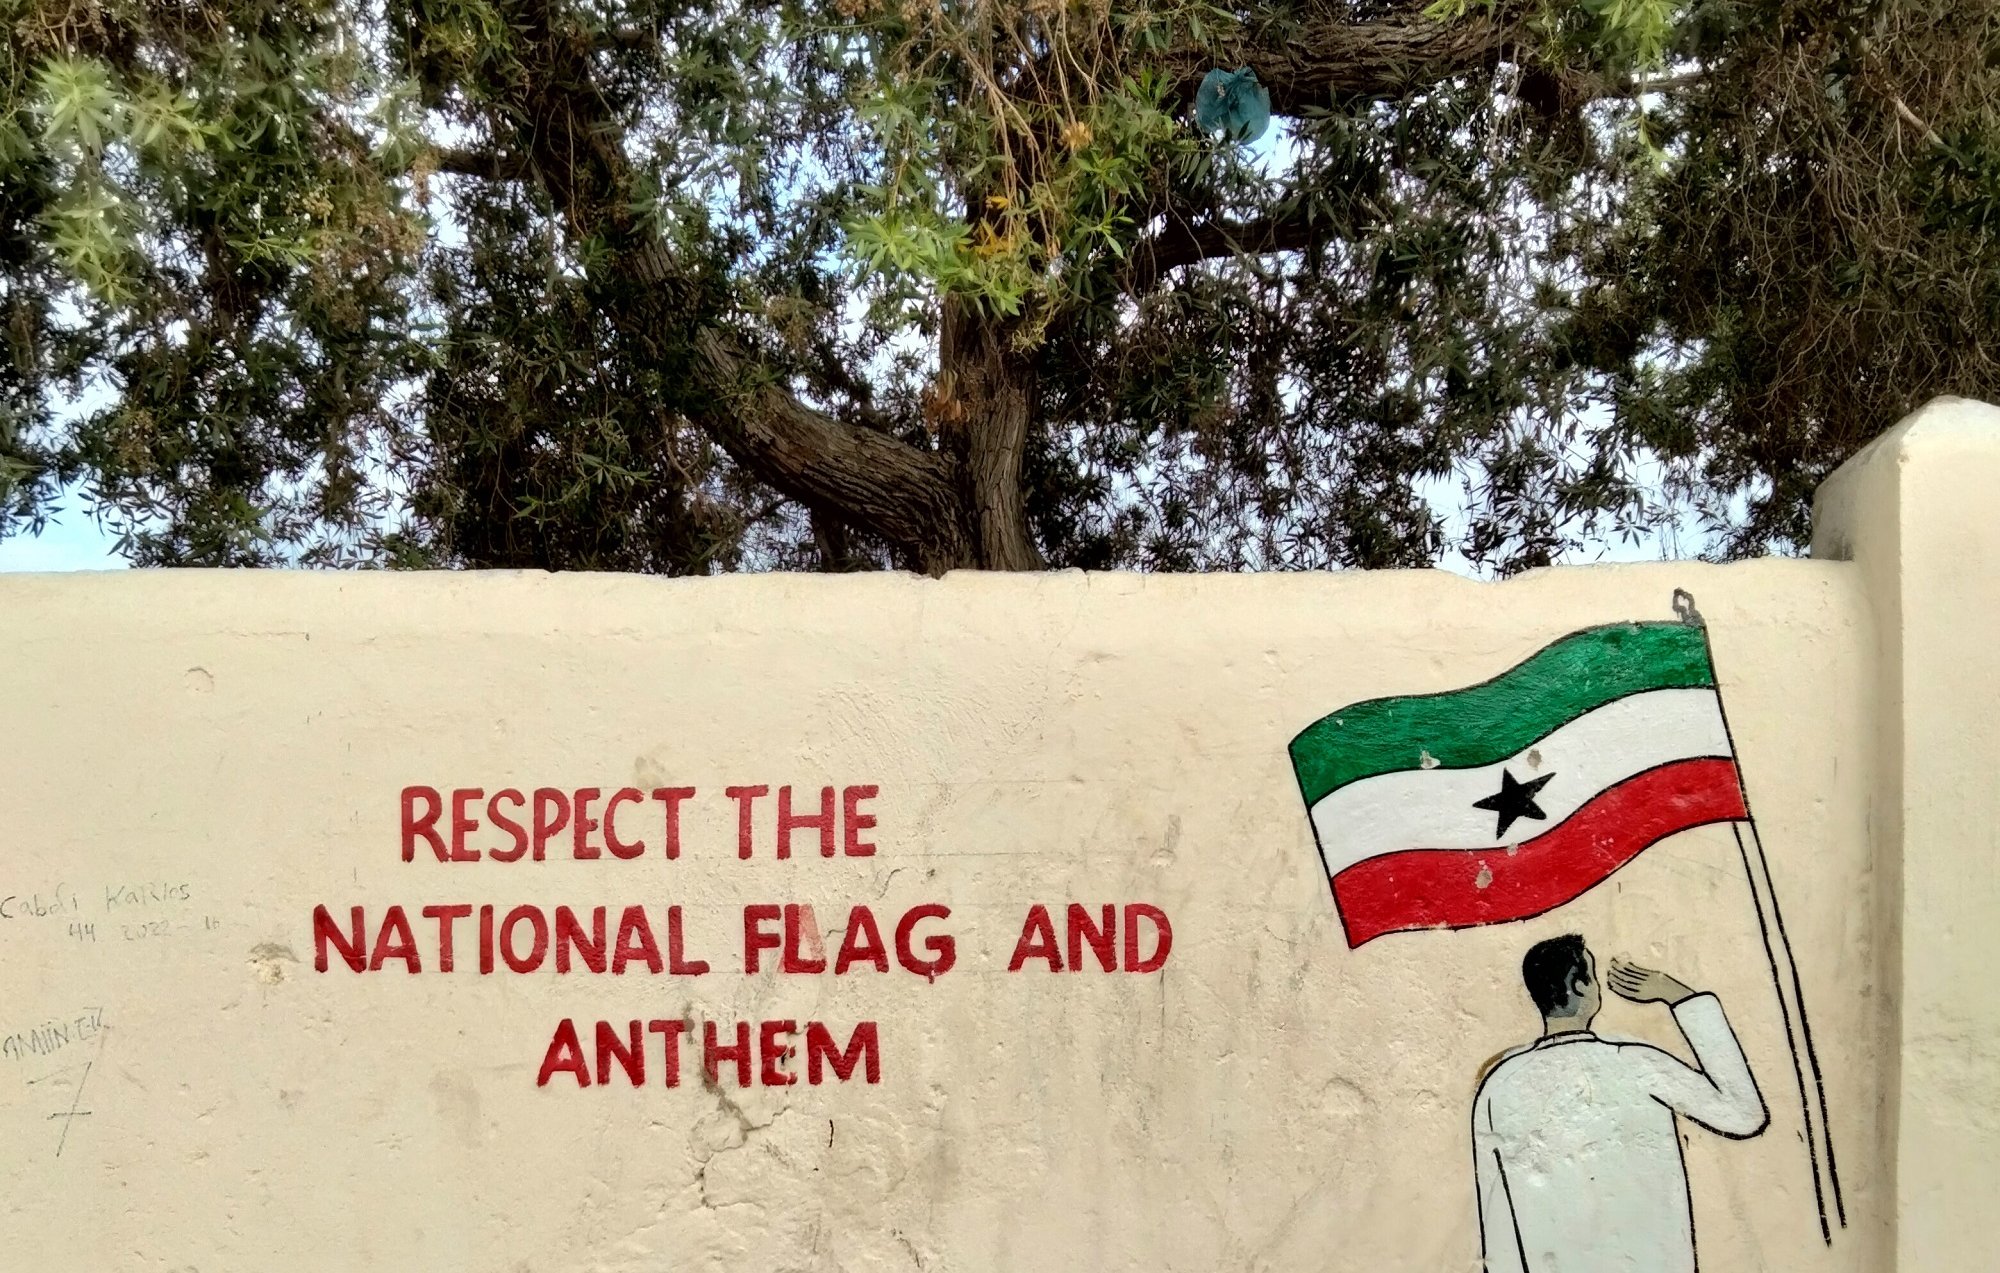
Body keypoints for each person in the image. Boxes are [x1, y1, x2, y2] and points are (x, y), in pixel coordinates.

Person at [1472, 934, 1768, 1273]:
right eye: (1593, 976)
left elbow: (1496, 1223)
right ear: (1581, 986)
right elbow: (1744, 1114)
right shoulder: (1635, 1063)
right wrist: (1676, 994)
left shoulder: (1500, 1085)